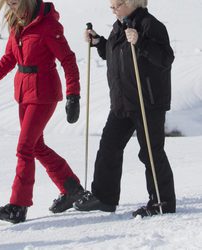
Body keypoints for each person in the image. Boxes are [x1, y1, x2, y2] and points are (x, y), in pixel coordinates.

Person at [0, 0, 84, 224]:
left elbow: (68, 59)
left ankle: (19, 206)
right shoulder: (17, 23)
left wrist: (73, 94)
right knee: (36, 146)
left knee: (24, 148)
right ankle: (70, 187)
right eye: (8, 2)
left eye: (15, 1)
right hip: (24, 92)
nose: (11, 5)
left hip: (44, 93)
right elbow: (9, 58)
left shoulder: (48, 26)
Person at [74, 0, 176, 218]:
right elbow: (115, 54)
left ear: (132, 2)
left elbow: (166, 58)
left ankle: (162, 202)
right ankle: (104, 197)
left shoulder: (151, 25)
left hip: (147, 101)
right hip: (123, 100)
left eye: (117, 4)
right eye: (111, 6)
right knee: (109, 146)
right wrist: (99, 42)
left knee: (150, 152)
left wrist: (141, 42)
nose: (113, 9)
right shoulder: (119, 27)